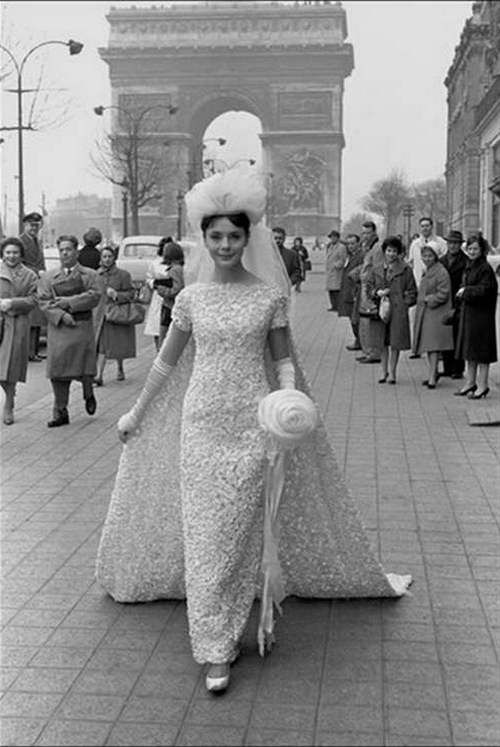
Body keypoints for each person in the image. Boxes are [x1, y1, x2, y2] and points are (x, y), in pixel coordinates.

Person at [95, 165, 411, 695]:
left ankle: (231, 622)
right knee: (204, 535)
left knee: (238, 534)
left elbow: (283, 362)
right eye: (215, 236)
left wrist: (288, 404)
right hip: (199, 426)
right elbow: (166, 366)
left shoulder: (268, 296)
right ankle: (214, 647)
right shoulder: (191, 299)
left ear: (248, 237)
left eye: (233, 235)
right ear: (204, 238)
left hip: (252, 425)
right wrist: (136, 413)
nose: (224, 244)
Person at [38, 234, 102, 427]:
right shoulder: (49, 277)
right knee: (58, 371)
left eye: (69, 249)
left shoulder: (90, 275)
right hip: (60, 329)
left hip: (81, 327)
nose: (65, 253)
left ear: (76, 251)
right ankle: (60, 411)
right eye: (62, 250)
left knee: (83, 368)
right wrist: (60, 315)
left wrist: (69, 302)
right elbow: (43, 301)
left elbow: (95, 296)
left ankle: (88, 392)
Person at [365, 236, 417, 384]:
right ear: (384, 251)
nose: (391, 254)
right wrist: (376, 293)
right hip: (379, 309)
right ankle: (383, 371)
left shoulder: (406, 269)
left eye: (394, 251)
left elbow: (412, 291)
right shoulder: (376, 269)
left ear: (399, 252)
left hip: (397, 310)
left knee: (395, 342)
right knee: (382, 342)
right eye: (389, 250)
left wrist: (403, 303)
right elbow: (368, 288)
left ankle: (393, 373)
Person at [454, 232, 498, 399]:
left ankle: (483, 385)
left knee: (481, 353)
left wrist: (466, 291)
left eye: (475, 248)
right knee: (470, 351)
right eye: (470, 248)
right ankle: (470, 383)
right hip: (470, 314)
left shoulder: (485, 268)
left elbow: (485, 290)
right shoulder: (470, 265)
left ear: (482, 249)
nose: (472, 251)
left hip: (481, 317)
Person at [0, 237, 38, 425]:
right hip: (0, 323)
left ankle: (9, 404)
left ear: (21, 254)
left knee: (11, 367)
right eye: (8, 252)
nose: (11, 256)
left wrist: (13, 303)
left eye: (15, 252)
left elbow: (34, 300)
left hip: (17, 325)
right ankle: (8, 392)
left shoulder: (30, 275)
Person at [412, 244, 454, 389]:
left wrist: (429, 299)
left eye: (430, 256)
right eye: (424, 256)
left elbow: (444, 293)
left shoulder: (441, 271)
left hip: (436, 313)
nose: (427, 259)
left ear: (435, 256)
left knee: (433, 346)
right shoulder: (429, 269)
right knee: (430, 347)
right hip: (428, 313)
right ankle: (433, 373)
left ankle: (432, 377)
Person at [94, 246, 136, 386]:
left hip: (116, 314)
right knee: (102, 346)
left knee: (117, 344)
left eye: (109, 256)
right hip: (101, 315)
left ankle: (120, 367)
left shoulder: (123, 275)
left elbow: (131, 294)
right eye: (104, 256)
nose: (107, 259)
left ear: (114, 258)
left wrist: (117, 295)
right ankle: (99, 375)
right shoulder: (96, 275)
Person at [408, 217, 447, 358]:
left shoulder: (441, 243)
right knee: (416, 317)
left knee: (435, 320)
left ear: (432, 227)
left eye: (427, 226)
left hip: (435, 285)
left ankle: (438, 350)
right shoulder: (415, 244)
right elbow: (411, 263)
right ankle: (416, 348)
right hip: (419, 284)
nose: (425, 228)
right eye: (422, 226)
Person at [440, 230, 467, 379]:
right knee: (446, 335)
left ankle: (458, 369)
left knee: (458, 336)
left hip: (459, 303)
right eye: (450, 243)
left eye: (456, 243)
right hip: (444, 302)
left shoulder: (466, 261)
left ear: (460, 245)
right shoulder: (441, 260)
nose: (453, 246)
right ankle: (447, 367)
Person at [19, 211, 45, 362]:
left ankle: (33, 351)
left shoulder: (37, 241)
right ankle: (28, 352)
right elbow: (20, 264)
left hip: (38, 283)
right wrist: (37, 272)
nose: (34, 228)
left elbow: (41, 262)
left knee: (37, 320)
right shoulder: (20, 241)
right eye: (31, 225)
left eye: (36, 225)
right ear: (25, 225)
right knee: (30, 320)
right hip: (27, 283)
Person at [358, 221, 383, 363]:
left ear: (374, 232)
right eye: (363, 232)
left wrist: (374, 289)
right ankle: (367, 350)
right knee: (364, 320)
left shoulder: (377, 248)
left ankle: (374, 352)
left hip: (370, 288)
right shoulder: (367, 247)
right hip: (364, 286)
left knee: (371, 321)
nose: (365, 235)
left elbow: (378, 269)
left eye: (368, 233)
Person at [143, 236, 172, 351]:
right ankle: (158, 351)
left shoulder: (177, 264)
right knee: (157, 327)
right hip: (158, 296)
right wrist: (154, 283)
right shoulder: (155, 263)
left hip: (171, 296)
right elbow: (148, 278)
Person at [154, 240, 185, 347]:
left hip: (169, 307)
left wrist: (161, 289)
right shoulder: (181, 268)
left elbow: (176, 289)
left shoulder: (175, 270)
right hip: (173, 307)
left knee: (164, 338)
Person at [338, 233, 364, 350]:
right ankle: (358, 340)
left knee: (355, 319)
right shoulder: (349, 256)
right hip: (347, 291)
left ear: (358, 243)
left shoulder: (361, 256)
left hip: (355, 292)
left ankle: (360, 341)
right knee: (351, 318)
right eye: (348, 244)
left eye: (353, 243)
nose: (350, 246)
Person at [324, 229, 346, 311]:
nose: (332, 239)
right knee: (331, 290)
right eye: (331, 237)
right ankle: (333, 306)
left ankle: (338, 306)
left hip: (337, 272)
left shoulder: (341, 247)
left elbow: (343, 259)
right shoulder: (330, 246)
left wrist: (336, 265)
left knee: (336, 290)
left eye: (334, 237)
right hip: (330, 271)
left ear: (337, 238)